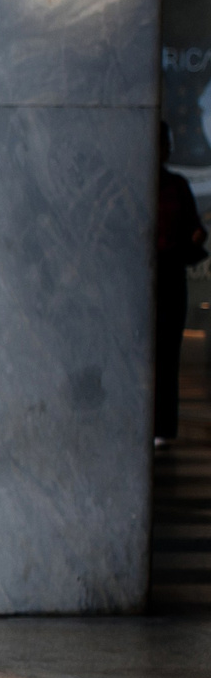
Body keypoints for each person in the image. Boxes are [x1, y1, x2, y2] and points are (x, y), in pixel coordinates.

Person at [159, 124, 207, 447]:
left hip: (169, 274)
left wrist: (193, 238)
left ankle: (163, 425)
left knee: (167, 354)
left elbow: (194, 227)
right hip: (149, 277)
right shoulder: (138, 184)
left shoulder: (176, 186)